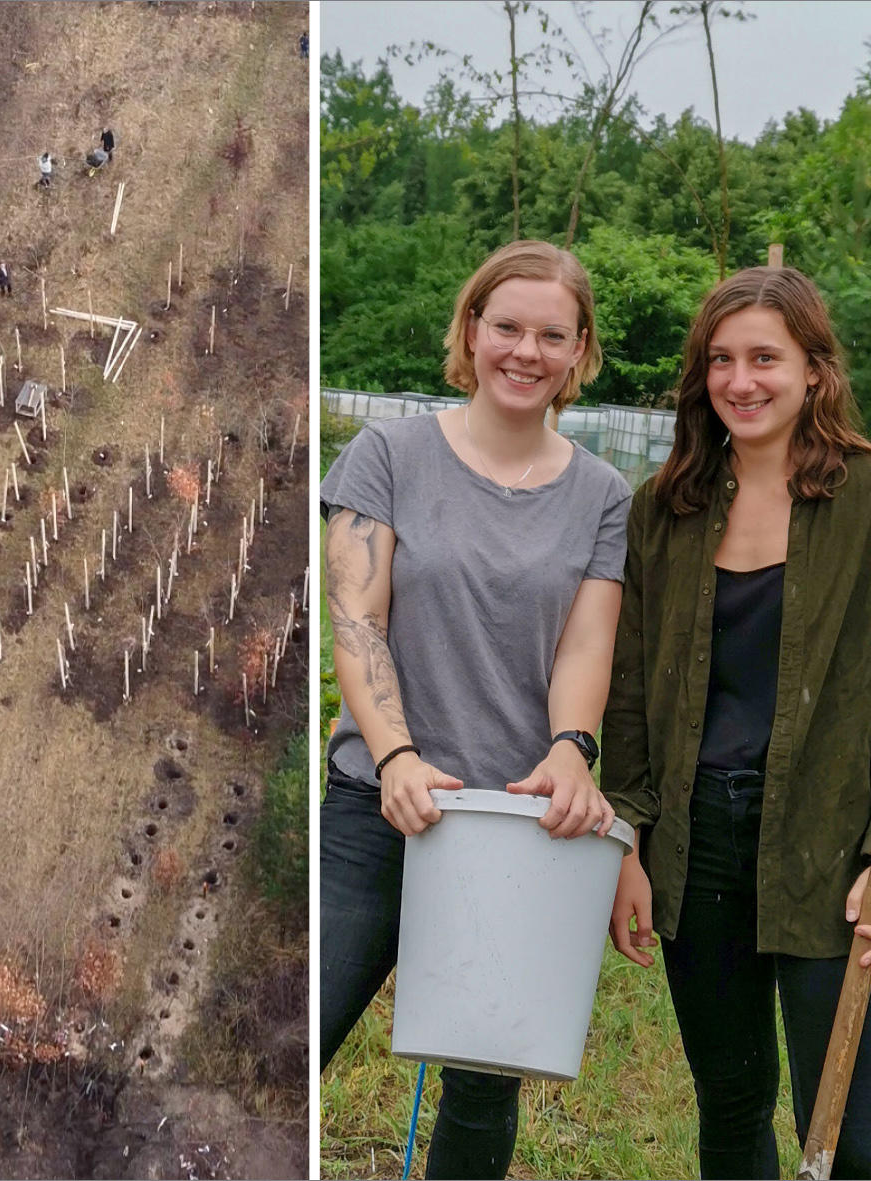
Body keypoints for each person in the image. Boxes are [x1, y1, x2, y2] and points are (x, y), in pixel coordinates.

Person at [321, 239, 629, 1178]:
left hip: (510, 820)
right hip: (381, 806)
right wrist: (397, 756)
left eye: (552, 335)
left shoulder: (602, 495)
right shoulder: (387, 455)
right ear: (471, 330)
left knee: (485, 1076)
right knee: (302, 1026)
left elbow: (584, 645)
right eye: (507, 327)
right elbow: (358, 621)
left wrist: (571, 748)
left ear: (580, 351)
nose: (526, 352)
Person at [603, 266, 871, 1180]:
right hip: (698, 844)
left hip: (834, 844)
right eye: (721, 359)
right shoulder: (665, 508)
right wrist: (628, 842)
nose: (741, 380)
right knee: (731, 1109)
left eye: (765, 357)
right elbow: (628, 690)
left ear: (814, 368)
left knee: (849, 1136)